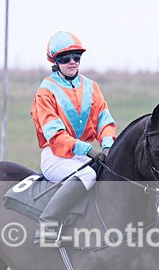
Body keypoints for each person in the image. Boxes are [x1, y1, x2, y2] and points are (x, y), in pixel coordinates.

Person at [30, 31, 116, 243]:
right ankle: (47, 225)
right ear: (54, 61)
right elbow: (56, 136)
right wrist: (89, 150)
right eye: (65, 58)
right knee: (88, 176)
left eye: (76, 57)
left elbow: (104, 120)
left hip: (85, 156)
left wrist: (107, 146)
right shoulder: (45, 92)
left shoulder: (92, 87)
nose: (72, 62)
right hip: (56, 156)